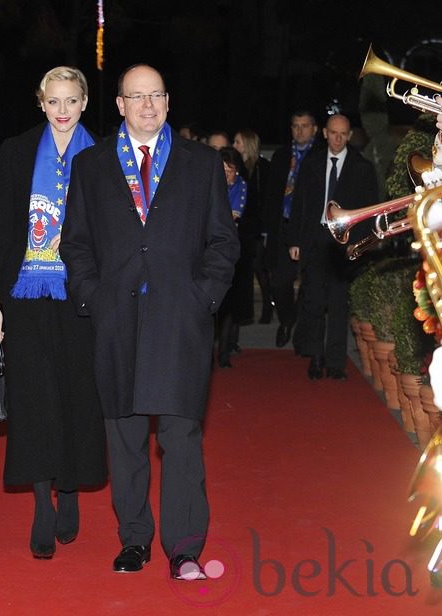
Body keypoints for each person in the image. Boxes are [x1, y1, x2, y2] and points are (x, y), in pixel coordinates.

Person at [60, 64, 239, 580]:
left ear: (167, 101)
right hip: (117, 317)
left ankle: (184, 549)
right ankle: (134, 539)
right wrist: (92, 296)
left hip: (179, 320)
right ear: (118, 105)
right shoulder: (91, 165)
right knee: (126, 436)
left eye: (155, 95)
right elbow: (75, 243)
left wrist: (202, 297)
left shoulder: (201, 162)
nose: (146, 105)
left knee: (181, 436)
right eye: (135, 97)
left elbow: (224, 243)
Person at [0, 66, 106, 559]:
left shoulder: (102, 157)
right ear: (40, 102)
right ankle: (41, 502)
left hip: (81, 298)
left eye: (70, 102)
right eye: (53, 101)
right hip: (25, 296)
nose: (62, 111)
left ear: (82, 103)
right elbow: (3, 230)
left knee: (77, 393)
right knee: (34, 400)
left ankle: (71, 489)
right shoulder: (14, 152)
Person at [288, 114, 378, 380]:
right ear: (325, 133)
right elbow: (299, 205)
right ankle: (315, 357)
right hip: (316, 239)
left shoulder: (362, 168)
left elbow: (369, 210)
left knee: (339, 302)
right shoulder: (312, 163)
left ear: (349, 136)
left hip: (345, 243)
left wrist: (359, 244)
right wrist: (295, 240)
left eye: (343, 134)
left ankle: (336, 361)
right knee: (314, 300)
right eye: (333, 133)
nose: (338, 138)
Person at [264, 110, 322, 349]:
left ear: (315, 129)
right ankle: (287, 320)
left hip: (310, 228)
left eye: (305, 126)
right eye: (296, 126)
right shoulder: (281, 155)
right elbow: (271, 194)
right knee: (279, 281)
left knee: (311, 282)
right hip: (283, 226)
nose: (300, 131)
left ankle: (302, 329)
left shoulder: (320, 156)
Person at [234, 128, 273, 324]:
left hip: (256, 228)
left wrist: (266, 229)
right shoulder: (237, 167)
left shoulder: (262, 167)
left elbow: (267, 200)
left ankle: (268, 304)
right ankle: (245, 311)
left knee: (259, 268)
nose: (235, 146)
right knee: (245, 270)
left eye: (238, 142)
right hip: (240, 227)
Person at [216, 147, 248, 368]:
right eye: (223, 170)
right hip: (206, 250)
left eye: (231, 170)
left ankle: (225, 351)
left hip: (229, 250)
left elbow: (232, 218)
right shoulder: (207, 184)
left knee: (227, 302)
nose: (226, 174)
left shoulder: (241, 187)